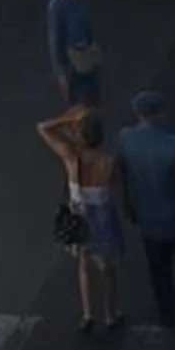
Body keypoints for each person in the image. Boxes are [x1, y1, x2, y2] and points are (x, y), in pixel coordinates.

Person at [116, 88, 175, 329]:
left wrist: (126, 202)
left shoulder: (124, 138)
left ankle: (167, 314)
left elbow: (121, 173)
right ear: (160, 113)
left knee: (159, 270)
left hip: (148, 218)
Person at [37, 104, 123, 332]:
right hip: (103, 216)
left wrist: (66, 120)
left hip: (79, 215)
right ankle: (110, 313)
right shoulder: (108, 161)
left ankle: (87, 314)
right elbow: (120, 188)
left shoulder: (71, 157)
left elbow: (43, 127)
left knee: (84, 264)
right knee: (107, 268)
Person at [45, 0, 100, 104]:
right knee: (79, 100)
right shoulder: (57, 6)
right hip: (72, 61)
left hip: (86, 54)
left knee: (93, 97)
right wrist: (61, 72)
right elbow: (55, 38)